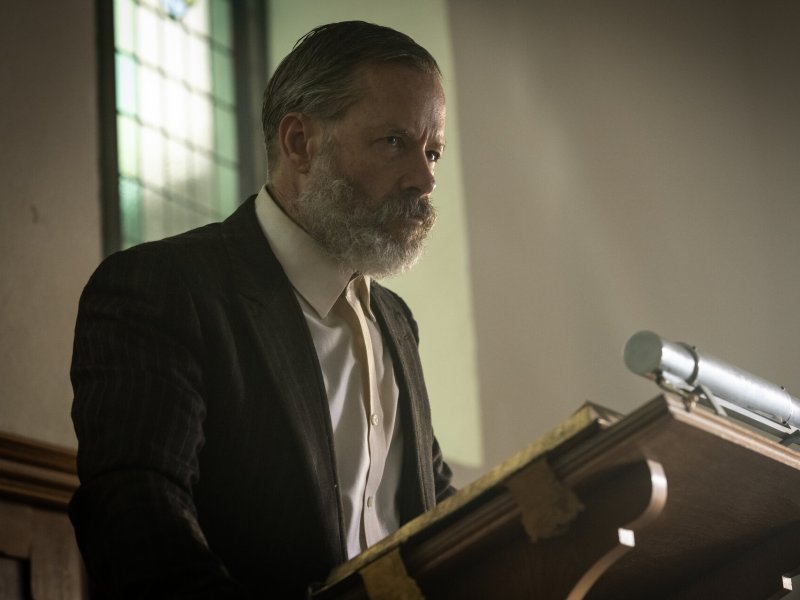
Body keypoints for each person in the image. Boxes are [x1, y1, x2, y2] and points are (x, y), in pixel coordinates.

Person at [69, 20, 455, 599]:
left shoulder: (396, 322)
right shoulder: (163, 289)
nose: (425, 179)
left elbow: (436, 511)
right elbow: (135, 510)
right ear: (300, 143)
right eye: (395, 142)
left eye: (433, 151)